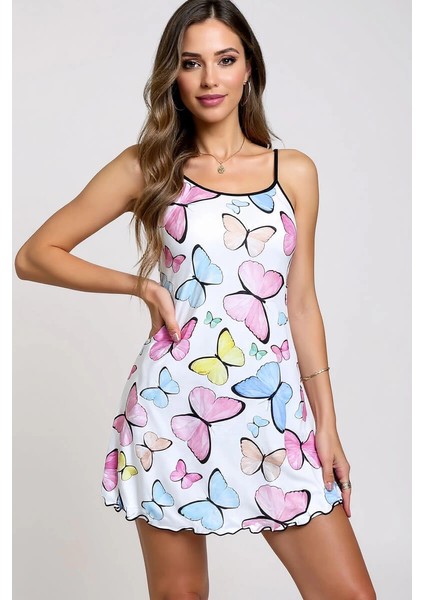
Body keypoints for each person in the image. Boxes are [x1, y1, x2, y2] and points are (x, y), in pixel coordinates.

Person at [14, 1, 377, 598]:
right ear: (174, 75)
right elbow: (34, 255)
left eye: (225, 60)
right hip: (172, 407)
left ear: (249, 68)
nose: (210, 78)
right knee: (180, 595)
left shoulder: (294, 172)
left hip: (275, 412)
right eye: (191, 63)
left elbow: (302, 304)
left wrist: (328, 428)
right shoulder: (150, 166)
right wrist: (141, 286)